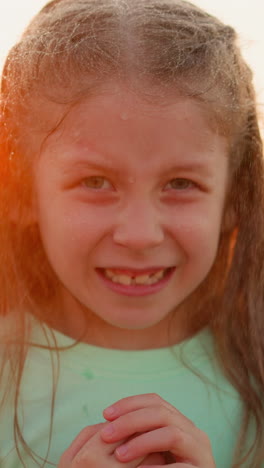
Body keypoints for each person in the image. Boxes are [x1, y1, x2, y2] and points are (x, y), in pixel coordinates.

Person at [0, 0, 263, 466]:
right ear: (22, 193)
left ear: (232, 198)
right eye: (95, 182)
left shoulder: (255, 377)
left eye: (181, 184)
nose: (139, 235)